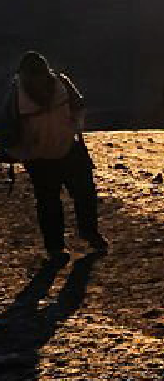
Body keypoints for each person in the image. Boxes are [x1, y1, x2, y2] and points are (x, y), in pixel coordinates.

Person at [0, 52, 108, 262]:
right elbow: (79, 106)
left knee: (76, 196)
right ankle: (66, 243)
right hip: (45, 155)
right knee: (58, 200)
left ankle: (77, 239)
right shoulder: (27, 92)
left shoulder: (46, 87)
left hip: (56, 151)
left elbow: (78, 107)